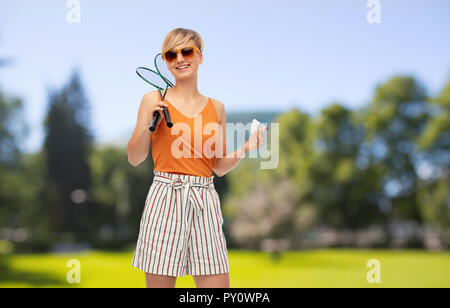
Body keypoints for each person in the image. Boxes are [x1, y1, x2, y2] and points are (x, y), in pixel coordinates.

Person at [127, 28, 265, 288]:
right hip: (166, 196)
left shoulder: (217, 108)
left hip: (205, 200)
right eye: (171, 54)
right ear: (166, 62)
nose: (180, 58)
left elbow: (219, 167)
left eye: (187, 51)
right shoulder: (152, 100)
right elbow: (134, 157)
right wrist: (147, 122)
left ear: (200, 57)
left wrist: (247, 147)